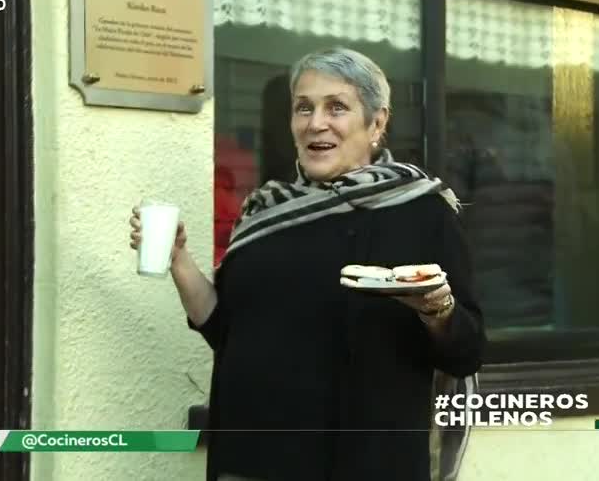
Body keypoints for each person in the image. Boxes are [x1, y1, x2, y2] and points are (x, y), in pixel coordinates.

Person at [129, 47, 486, 481]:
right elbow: (225, 330)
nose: (316, 122)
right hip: (250, 460)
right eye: (304, 108)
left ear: (376, 123)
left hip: (364, 465)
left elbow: (467, 350)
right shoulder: (265, 210)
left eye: (337, 107)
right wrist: (178, 261)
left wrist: (436, 309)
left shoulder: (421, 212)